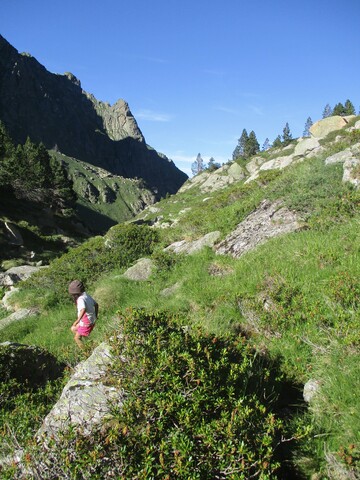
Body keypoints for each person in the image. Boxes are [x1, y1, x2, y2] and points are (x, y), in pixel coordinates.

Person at [68, 280, 98, 349]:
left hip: (86, 322)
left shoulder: (80, 299)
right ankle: (87, 341)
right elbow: (96, 305)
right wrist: (96, 315)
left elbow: (83, 309)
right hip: (91, 320)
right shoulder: (86, 295)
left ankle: (86, 351)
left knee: (76, 338)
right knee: (73, 328)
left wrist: (77, 320)